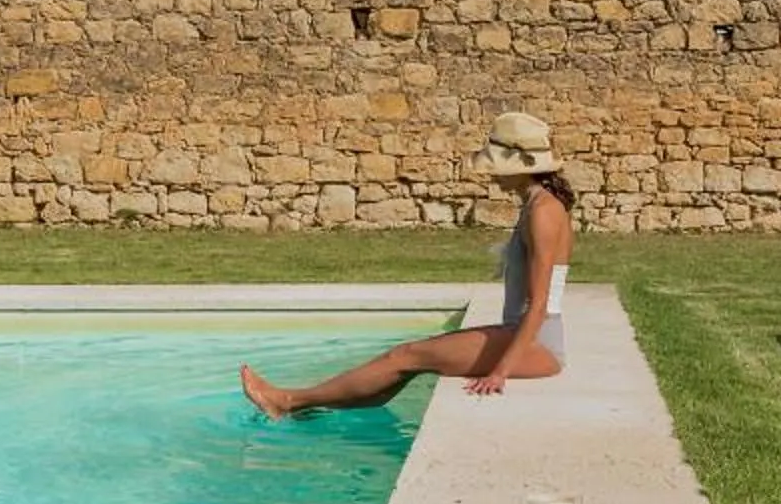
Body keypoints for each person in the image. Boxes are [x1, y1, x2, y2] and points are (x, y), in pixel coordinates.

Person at [241, 111, 573, 416]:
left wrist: (499, 372)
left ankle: (286, 402)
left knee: (406, 355)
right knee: (405, 361)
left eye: (496, 165)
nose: (491, 175)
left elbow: (540, 303)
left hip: (535, 343)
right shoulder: (539, 205)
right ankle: (309, 405)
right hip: (524, 336)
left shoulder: (544, 212)